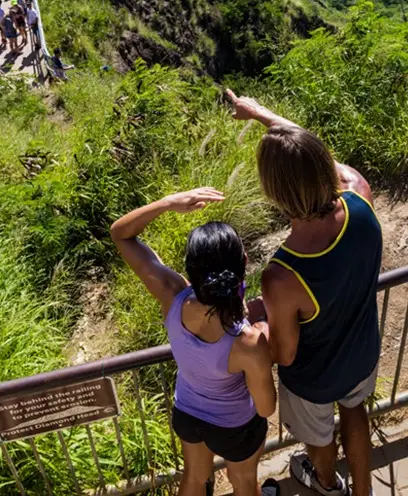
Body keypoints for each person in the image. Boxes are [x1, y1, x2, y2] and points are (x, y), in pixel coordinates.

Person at [226, 90, 382, 496]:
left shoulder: (283, 274)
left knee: (321, 438)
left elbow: (285, 353)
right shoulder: (360, 198)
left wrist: (261, 316)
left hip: (316, 378)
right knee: (355, 411)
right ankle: (364, 491)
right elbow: (314, 155)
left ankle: (327, 483)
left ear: (275, 193)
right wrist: (261, 114)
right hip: (361, 353)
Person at [111, 188, 278, 496]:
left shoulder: (171, 293)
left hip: (188, 413)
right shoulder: (249, 340)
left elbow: (121, 234)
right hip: (235, 426)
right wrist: (264, 332)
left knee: (194, 478)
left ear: (189, 269)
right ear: (243, 262)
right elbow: (266, 407)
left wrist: (168, 203)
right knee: (244, 483)